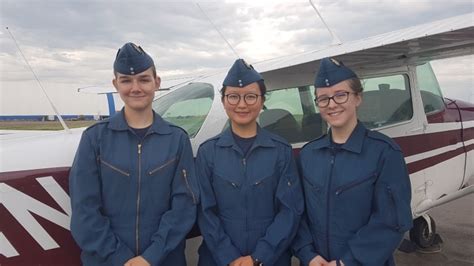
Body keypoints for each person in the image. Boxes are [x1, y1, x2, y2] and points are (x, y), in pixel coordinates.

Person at [69, 42, 198, 266]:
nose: (135, 88)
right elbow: (84, 211)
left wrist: (151, 257)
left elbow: (184, 206)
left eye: (144, 79)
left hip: (163, 260)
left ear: (157, 82)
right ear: (115, 84)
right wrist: (121, 258)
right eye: (126, 81)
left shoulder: (177, 139)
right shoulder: (94, 138)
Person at [292, 58, 413, 266]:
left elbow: (392, 221)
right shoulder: (308, 154)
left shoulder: (384, 153)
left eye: (341, 95)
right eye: (323, 99)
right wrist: (307, 255)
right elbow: (297, 212)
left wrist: (347, 262)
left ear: (358, 98)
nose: (332, 105)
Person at [196, 59, 304, 266]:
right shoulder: (208, 152)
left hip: (271, 259)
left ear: (262, 101)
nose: (242, 104)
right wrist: (230, 257)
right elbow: (205, 213)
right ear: (223, 100)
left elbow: (290, 211)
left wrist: (259, 257)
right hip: (218, 260)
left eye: (251, 96)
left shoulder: (281, 151)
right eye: (233, 96)